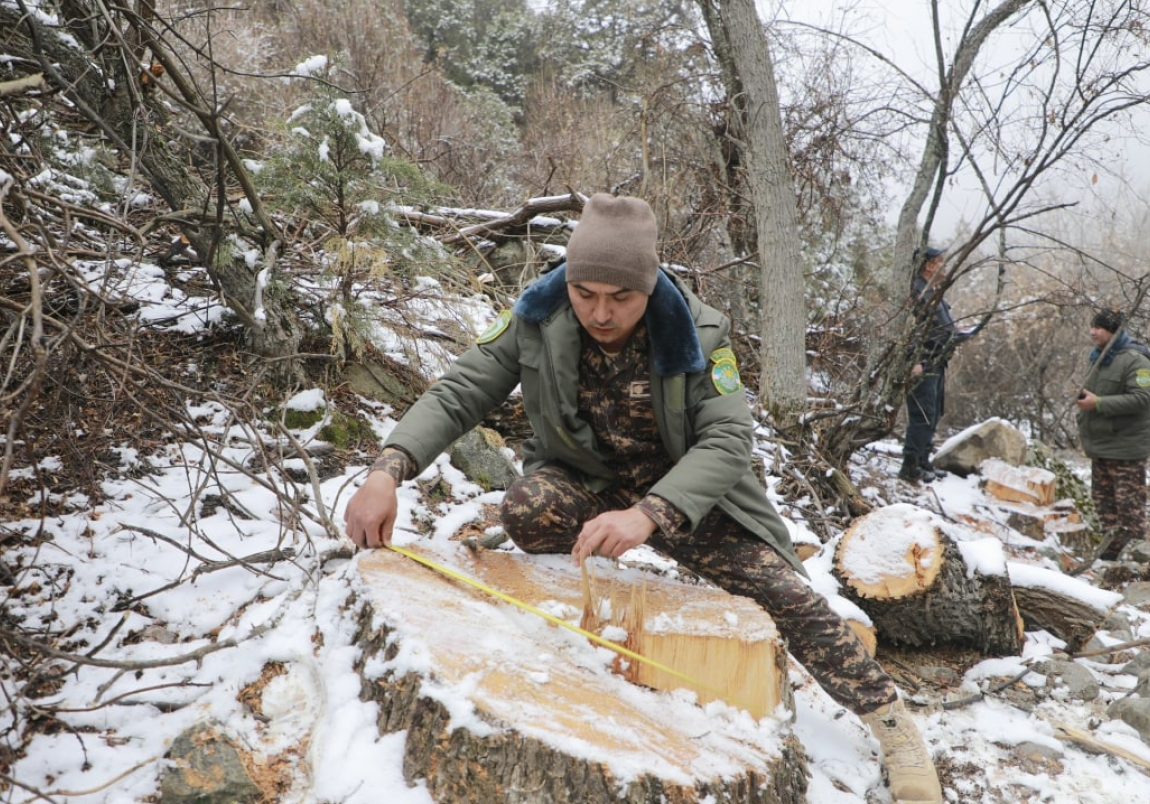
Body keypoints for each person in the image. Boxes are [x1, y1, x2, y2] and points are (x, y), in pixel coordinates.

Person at [344, 193, 943, 804]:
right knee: (528, 508)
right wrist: (387, 470)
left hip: (687, 495)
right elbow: (458, 393)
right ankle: (580, 615)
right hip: (588, 481)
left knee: (787, 595)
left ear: (650, 286)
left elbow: (729, 439)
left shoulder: (699, 333)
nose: (600, 313)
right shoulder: (534, 315)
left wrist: (650, 513)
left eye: (620, 297)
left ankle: (893, 727)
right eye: (586, 294)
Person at [1074, 307, 1150, 561]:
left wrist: (1098, 403)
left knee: (1129, 511)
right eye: (1092, 326)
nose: (1093, 331)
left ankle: (1134, 561)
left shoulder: (1136, 360)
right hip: (1100, 447)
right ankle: (1110, 558)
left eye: (1100, 327)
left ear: (1115, 331)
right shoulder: (1096, 358)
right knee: (1104, 507)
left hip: (1126, 449)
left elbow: (1143, 398)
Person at [900, 247, 976, 483]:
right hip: (922, 363)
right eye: (940, 261)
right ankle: (910, 467)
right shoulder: (916, 292)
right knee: (922, 414)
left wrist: (959, 333)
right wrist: (914, 362)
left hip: (936, 360)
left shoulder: (932, 291)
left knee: (933, 413)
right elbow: (908, 330)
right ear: (929, 265)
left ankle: (923, 462)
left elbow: (941, 327)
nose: (944, 265)